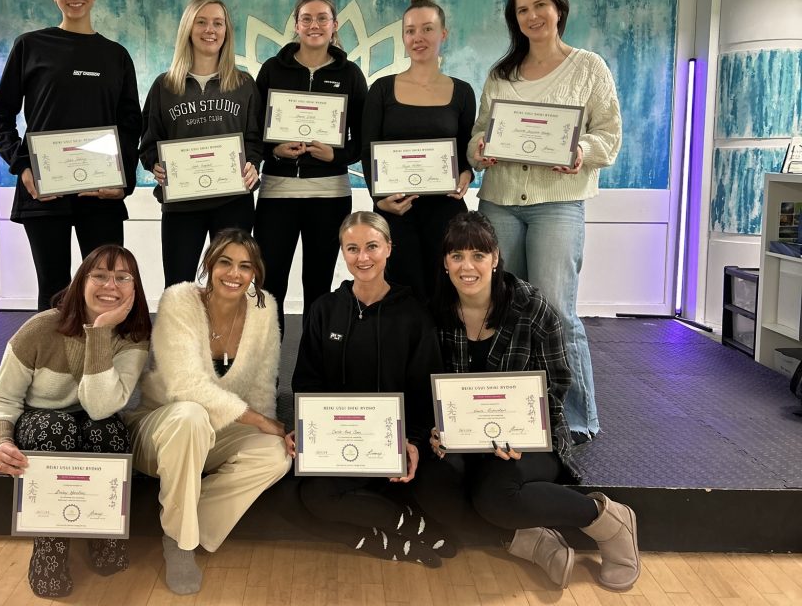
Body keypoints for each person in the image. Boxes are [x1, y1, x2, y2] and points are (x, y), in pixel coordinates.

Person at [428, 211, 639, 591]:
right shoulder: (436, 312)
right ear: (445, 263)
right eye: (457, 256)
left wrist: (523, 432)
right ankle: (530, 540)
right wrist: (436, 429)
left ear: (495, 258)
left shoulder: (531, 306)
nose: (467, 267)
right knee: (430, 484)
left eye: (478, 255)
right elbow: (428, 384)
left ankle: (607, 520)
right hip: (464, 441)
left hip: (530, 440)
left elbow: (557, 382)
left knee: (495, 496)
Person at [468, 0, 623, 443]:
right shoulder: (501, 73)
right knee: (500, 309)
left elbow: (609, 136)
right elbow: (478, 134)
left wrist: (581, 150)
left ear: (559, 8)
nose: (532, 16)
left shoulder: (588, 68)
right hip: (499, 202)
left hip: (558, 203)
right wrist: (480, 150)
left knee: (556, 310)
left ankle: (575, 418)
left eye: (540, 6)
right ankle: (507, 415)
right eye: (522, 10)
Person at [125, 229, 291, 595]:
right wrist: (260, 420)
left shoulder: (264, 307)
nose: (234, 273)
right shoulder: (178, 300)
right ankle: (180, 545)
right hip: (160, 429)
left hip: (217, 430)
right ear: (209, 265)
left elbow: (262, 384)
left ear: (255, 273)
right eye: (225, 263)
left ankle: (185, 520)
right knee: (190, 414)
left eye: (245, 266)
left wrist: (267, 427)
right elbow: (185, 386)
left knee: (275, 454)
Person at [0, 244, 152, 598]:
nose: (111, 285)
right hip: (41, 421)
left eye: (123, 278)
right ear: (81, 281)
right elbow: (2, 398)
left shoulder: (133, 338)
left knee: (107, 430)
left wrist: (100, 332)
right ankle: (50, 551)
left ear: (135, 288)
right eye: (100, 276)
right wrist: (0, 442)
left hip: (95, 415)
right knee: (55, 429)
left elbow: (100, 407)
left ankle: (103, 537)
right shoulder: (39, 329)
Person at [290, 211, 452, 566]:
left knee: (437, 489)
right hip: (339, 443)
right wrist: (306, 430)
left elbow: (425, 392)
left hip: (394, 445)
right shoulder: (324, 310)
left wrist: (413, 441)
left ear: (389, 248)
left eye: (372, 246)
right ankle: (401, 531)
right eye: (352, 248)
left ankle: (377, 530)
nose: (362, 257)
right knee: (305, 496)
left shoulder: (414, 315)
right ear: (342, 252)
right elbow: (307, 383)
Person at [0, 0, 141, 310]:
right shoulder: (30, 46)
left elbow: (131, 125)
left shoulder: (115, 56)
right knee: (54, 291)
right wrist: (22, 166)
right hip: (45, 193)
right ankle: (53, 351)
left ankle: (101, 348)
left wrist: (124, 181)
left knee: (106, 288)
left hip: (100, 194)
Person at [253, 0, 368, 330]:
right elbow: (254, 130)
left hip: (329, 195)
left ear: (334, 25)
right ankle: (267, 359)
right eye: (306, 18)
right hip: (277, 193)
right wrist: (275, 150)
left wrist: (336, 155)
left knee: (318, 284)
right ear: (296, 24)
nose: (314, 25)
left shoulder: (350, 75)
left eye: (322, 18)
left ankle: (314, 360)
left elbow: (363, 140)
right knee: (270, 284)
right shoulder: (273, 69)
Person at [139, 0, 262, 287]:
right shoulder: (165, 85)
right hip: (181, 205)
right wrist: (155, 164)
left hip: (233, 202)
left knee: (230, 286)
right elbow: (149, 142)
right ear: (188, 29)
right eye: (202, 22)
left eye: (218, 23)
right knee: (178, 287)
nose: (210, 30)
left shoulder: (243, 84)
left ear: (226, 31)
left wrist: (252, 164)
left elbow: (255, 139)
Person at [361, 0, 476, 301]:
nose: (418, 37)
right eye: (410, 31)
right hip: (396, 210)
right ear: (403, 37)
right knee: (402, 295)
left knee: (447, 293)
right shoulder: (382, 89)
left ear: (443, 34)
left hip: (445, 210)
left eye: (427, 29)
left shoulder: (463, 92)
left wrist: (467, 173)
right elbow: (367, 149)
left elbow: (466, 150)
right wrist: (379, 199)